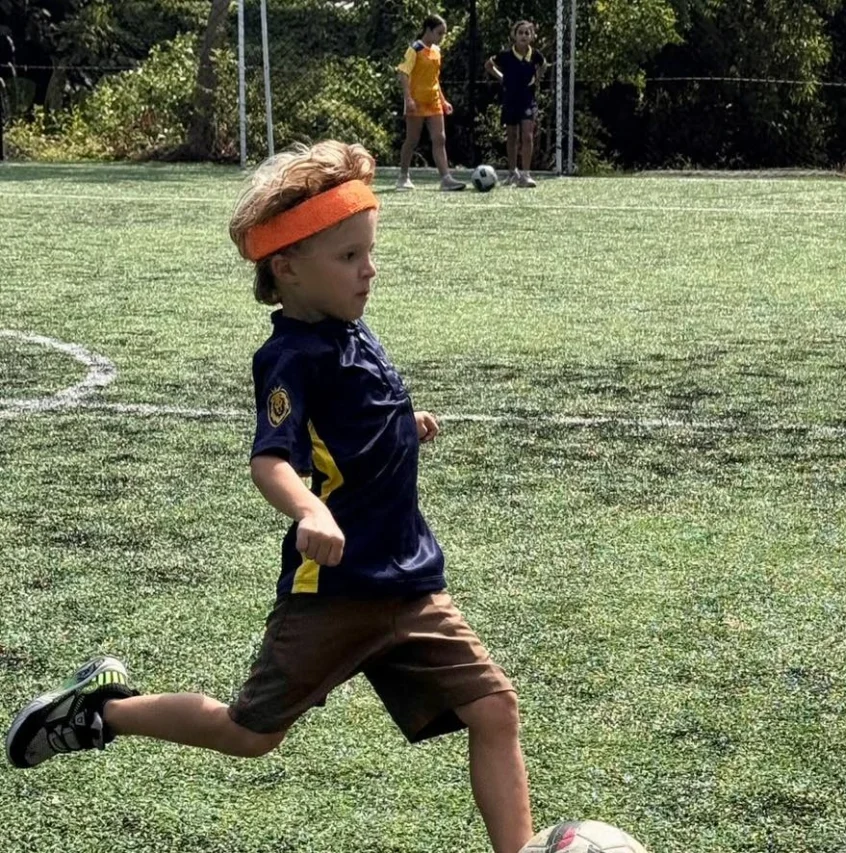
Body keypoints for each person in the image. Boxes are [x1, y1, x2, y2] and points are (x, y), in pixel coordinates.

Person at [5, 140, 533, 853]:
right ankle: (105, 709)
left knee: (495, 707)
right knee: (249, 733)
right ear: (286, 267)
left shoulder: (349, 327)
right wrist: (311, 509)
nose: (368, 269)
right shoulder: (288, 357)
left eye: (368, 252)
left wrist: (403, 425)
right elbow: (272, 460)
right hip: (335, 592)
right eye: (348, 257)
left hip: (410, 582)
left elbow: (347, 421)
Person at [396, 14, 465, 192]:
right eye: (439, 33)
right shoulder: (415, 49)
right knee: (412, 140)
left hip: (433, 100)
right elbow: (403, 73)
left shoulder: (436, 51)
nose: (442, 37)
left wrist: (443, 100)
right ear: (428, 30)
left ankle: (446, 178)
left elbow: (434, 78)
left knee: (440, 138)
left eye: (444, 34)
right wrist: (408, 98)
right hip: (416, 101)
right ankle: (403, 176)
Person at [485, 21, 547, 188]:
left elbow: (544, 65)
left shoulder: (535, 55)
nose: (523, 36)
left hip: (527, 100)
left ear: (532, 36)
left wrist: (537, 78)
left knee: (527, 135)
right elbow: (489, 65)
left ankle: (526, 175)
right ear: (514, 35)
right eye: (520, 32)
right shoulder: (505, 55)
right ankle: (513, 173)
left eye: (527, 33)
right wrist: (502, 78)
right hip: (510, 100)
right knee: (512, 136)